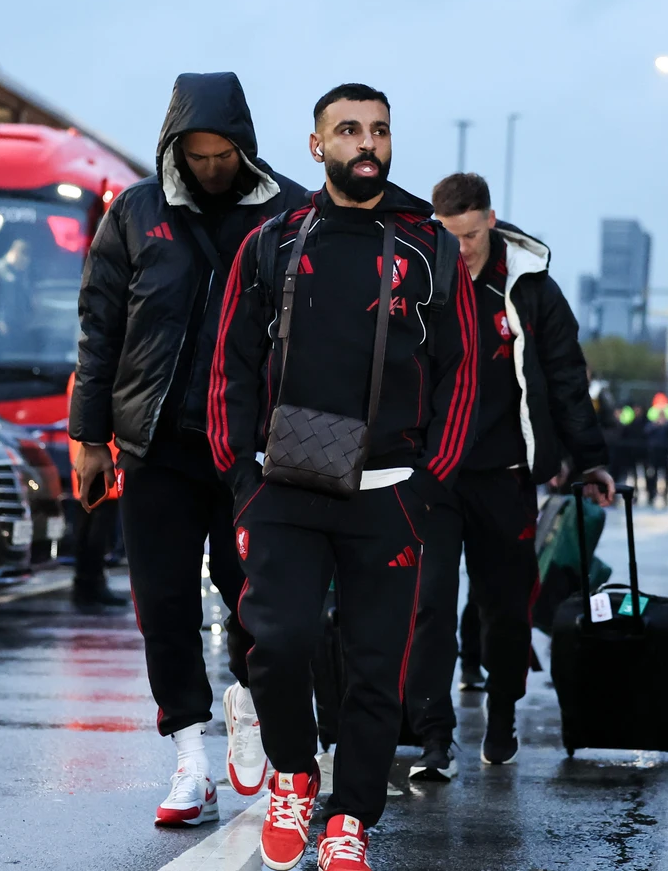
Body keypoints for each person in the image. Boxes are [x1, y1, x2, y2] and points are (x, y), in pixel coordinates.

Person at [210, 83, 477, 871]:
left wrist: (431, 477)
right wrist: (238, 471)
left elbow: (460, 371)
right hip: (286, 485)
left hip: (390, 490)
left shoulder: (429, 246)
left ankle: (350, 818)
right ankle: (293, 771)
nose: (368, 143)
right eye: (350, 129)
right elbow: (231, 360)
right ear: (317, 144)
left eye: (381, 130)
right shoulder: (274, 241)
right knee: (280, 642)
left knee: (374, 671)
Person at [70, 71, 308, 827]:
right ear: (175, 146)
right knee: (163, 604)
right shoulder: (136, 212)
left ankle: (248, 698)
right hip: (155, 444)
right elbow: (100, 329)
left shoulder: (292, 212)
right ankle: (189, 760)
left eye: (223, 153)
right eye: (197, 154)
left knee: (257, 599)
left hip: (250, 450)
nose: (211, 167)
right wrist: (87, 435)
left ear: (245, 144)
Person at [402, 172, 614, 779]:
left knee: (504, 610)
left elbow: (568, 376)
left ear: (490, 221)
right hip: (433, 477)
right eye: (448, 235)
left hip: (506, 475)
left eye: (470, 234)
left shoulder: (529, 287)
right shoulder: (422, 279)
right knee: (430, 606)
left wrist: (590, 457)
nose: (460, 247)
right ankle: (435, 738)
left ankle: (501, 716)